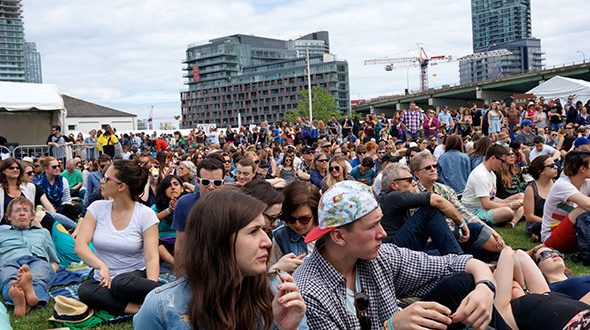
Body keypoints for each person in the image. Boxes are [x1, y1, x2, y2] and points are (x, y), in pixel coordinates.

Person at [294, 180, 504, 330]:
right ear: (339, 236)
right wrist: (391, 327)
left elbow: (457, 263)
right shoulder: (309, 293)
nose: (383, 233)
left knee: (463, 282)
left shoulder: (379, 257)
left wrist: (486, 287)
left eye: (381, 222)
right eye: (373, 226)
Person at [134, 189, 306, 330]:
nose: (267, 242)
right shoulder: (162, 308)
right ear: (219, 239)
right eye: (253, 231)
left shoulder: (278, 291)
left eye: (264, 230)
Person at [75, 159, 161, 315]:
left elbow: (151, 257)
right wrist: (101, 266)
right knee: (85, 290)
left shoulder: (145, 214)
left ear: (122, 186)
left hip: (132, 279)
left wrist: (150, 288)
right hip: (103, 279)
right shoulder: (96, 208)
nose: (102, 181)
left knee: (120, 283)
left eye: (107, 178)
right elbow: (80, 245)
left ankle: (155, 297)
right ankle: (137, 309)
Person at [412, 151, 504, 261]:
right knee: (477, 229)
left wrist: (491, 231)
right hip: (433, 242)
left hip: (458, 235)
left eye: (435, 166)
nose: (433, 169)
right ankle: (509, 253)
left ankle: (508, 255)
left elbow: (464, 213)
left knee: (485, 248)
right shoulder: (413, 195)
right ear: (417, 174)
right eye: (428, 168)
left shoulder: (445, 189)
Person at [378, 163, 467, 255]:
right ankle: (459, 262)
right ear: (394, 185)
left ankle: (463, 260)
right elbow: (437, 200)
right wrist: (460, 222)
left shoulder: (391, 199)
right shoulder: (391, 196)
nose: (414, 182)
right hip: (396, 251)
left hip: (405, 248)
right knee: (430, 211)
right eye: (409, 180)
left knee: (474, 229)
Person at [493, 246, 590, 330]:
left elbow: (519, 255)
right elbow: (507, 253)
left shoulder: (545, 294)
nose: (511, 282)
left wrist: (522, 286)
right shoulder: (504, 311)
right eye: (502, 281)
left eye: (512, 279)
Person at [0, 197, 59, 317]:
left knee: (39, 275)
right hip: (9, 259)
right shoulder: (1, 232)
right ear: (9, 217)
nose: (21, 213)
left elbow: (53, 260)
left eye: (25, 210)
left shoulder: (43, 232)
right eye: (17, 211)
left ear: (32, 216)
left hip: (37, 259)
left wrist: (51, 269)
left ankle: (22, 301)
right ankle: (30, 297)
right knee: (9, 278)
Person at [172, 157, 225, 270]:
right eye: (206, 182)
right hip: (194, 265)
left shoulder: (231, 205)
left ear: (223, 182)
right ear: (197, 181)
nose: (211, 187)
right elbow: (180, 246)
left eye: (217, 183)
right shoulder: (184, 203)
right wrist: (180, 275)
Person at [461, 145, 523, 227]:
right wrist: (510, 205)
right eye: (502, 161)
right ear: (493, 158)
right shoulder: (480, 175)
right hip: (474, 211)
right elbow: (486, 205)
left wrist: (509, 202)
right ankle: (512, 219)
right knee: (507, 211)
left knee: (522, 197)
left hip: (484, 207)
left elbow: (492, 198)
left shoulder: (491, 173)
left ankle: (510, 222)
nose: (503, 164)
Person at [541, 151, 590, 252]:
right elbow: (588, 205)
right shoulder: (562, 185)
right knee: (583, 208)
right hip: (551, 238)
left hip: (573, 233)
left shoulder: (585, 182)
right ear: (583, 169)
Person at [271, 181, 320, 271]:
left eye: (303, 219)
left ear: (315, 213)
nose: (297, 225)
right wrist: (279, 268)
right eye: (291, 219)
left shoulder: (329, 233)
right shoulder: (281, 236)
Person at [151, 175, 184, 267]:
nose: (173, 187)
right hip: (163, 245)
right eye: (169, 186)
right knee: (153, 241)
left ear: (181, 189)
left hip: (183, 242)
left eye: (176, 184)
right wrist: (169, 210)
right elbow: (149, 221)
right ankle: (175, 264)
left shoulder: (187, 204)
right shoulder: (156, 207)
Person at [523, 156, 556, 241]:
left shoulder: (557, 185)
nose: (556, 167)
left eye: (555, 164)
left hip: (556, 220)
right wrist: (548, 222)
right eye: (551, 166)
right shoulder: (531, 189)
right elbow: (529, 216)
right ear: (541, 171)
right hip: (538, 223)